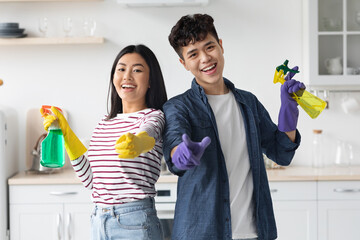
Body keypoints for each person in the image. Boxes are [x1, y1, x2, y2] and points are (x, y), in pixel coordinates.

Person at [162, 14, 303, 240]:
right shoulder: (178, 107)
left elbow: (281, 153)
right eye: (193, 54)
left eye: (209, 47)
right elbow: (174, 146)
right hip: (201, 233)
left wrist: (289, 109)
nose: (205, 58)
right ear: (184, 63)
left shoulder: (248, 103)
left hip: (254, 232)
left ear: (221, 46)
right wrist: (183, 155)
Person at [41, 44, 167, 240]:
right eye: (121, 69)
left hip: (135, 221)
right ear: (114, 77)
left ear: (151, 80)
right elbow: (91, 181)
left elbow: (150, 132)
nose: (127, 76)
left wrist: (139, 142)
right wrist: (66, 134)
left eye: (137, 70)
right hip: (99, 219)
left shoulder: (153, 116)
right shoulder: (105, 122)